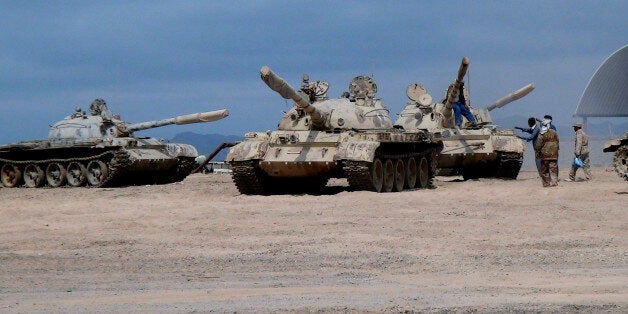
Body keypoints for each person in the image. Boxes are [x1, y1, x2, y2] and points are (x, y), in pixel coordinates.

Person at [535, 121, 559, 187]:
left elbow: (538, 145)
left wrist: (537, 152)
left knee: (545, 170)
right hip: (554, 154)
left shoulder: (541, 133)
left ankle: (546, 183)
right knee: (553, 169)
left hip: (545, 155)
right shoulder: (554, 132)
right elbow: (557, 141)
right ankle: (554, 182)